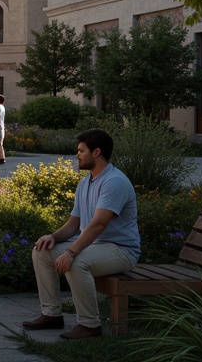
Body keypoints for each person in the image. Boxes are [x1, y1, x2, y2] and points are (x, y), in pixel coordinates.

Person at [23, 128, 140, 340]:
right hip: (95, 247)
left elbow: (98, 225)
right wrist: (54, 237)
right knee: (41, 251)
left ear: (96, 152)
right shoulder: (86, 182)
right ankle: (51, 315)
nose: (77, 155)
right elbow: (74, 223)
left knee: (76, 262)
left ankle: (89, 324)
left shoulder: (114, 181)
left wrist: (70, 252)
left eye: (81, 150)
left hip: (120, 250)